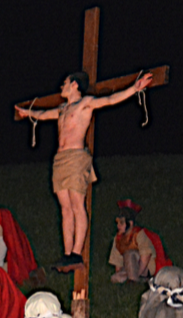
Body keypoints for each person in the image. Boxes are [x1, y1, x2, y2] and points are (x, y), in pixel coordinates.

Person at [15, 71, 153, 269]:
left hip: (76, 158)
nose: (61, 86)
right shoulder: (62, 109)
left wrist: (134, 89)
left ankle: (77, 253)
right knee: (65, 208)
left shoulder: (85, 103)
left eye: (65, 82)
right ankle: (67, 254)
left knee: (77, 205)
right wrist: (27, 113)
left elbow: (110, 100)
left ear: (74, 85)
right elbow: (43, 115)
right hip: (60, 160)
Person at [108, 199, 172, 284]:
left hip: (144, 268)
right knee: (115, 278)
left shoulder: (139, 234)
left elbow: (145, 256)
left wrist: (137, 274)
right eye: (117, 222)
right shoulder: (118, 238)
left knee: (129, 254)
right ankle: (135, 280)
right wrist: (120, 273)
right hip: (130, 268)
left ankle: (136, 279)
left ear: (130, 223)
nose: (118, 225)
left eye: (121, 223)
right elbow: (117, 261)